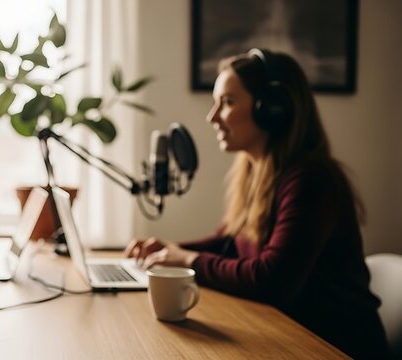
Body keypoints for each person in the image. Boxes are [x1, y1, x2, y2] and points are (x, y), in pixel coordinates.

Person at [126, 49, 388, 358]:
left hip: (334, 345)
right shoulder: (257, 173)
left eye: (227, 102)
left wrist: (185, 259)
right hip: (288, 336)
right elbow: (230, 241)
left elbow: (271, 279)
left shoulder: (311, 180)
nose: (212, 117)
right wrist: (168, 249)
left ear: (272, 108)